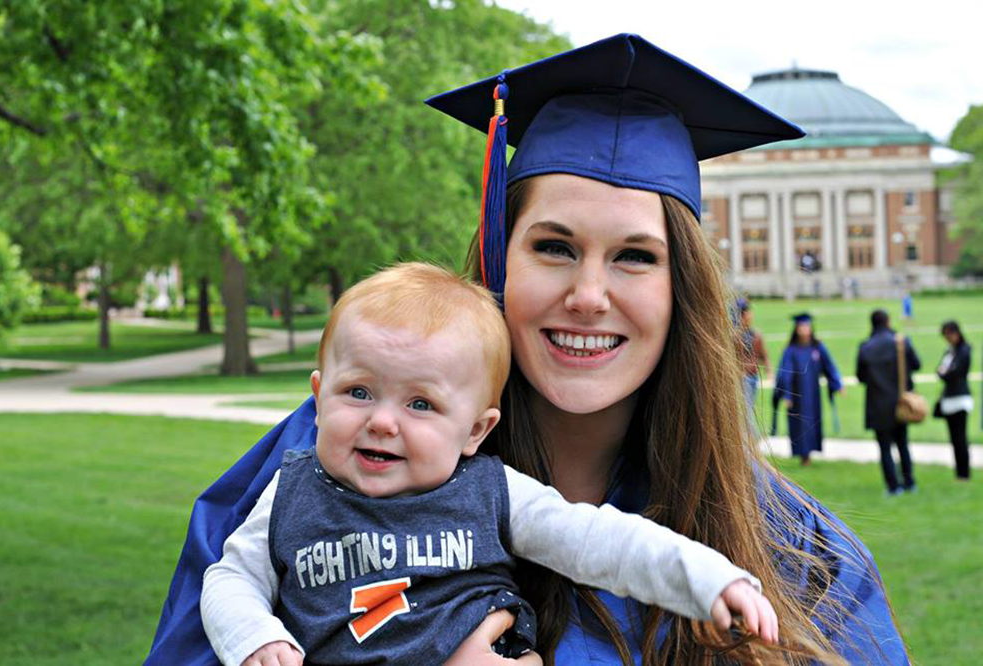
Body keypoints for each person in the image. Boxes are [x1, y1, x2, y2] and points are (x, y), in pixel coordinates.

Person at [147, 35, 909, 665]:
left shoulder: (790, 549)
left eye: (635, 257)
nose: (588, 294)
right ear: (498, 258)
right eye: (553, 246)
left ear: (684, 290)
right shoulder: (321, 466)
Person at [200, 262, 774, 666]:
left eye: (420, 404)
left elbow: (598, 540)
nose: (382, 421)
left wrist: (707, 579)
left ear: (476, 430)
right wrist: (253, 636)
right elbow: (230, 577)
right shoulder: (291, 492)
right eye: (357, 393)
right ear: (318, 395)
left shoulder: (491, 493)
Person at [856, 310, 921, 494]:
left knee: (884, 447)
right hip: (900, 402)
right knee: (902, 443)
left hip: (877, 404)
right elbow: (916, 364)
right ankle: (909, 482)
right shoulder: (901, 342)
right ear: (888, 321)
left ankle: (893, 486)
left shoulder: (866, 347)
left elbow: (861, 377)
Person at [774, 313, 844, 466]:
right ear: (796, 329)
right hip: (797, 395)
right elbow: (785, 373)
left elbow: (829, 367)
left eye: (807, 326)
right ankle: (804, 456)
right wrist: (787, 394)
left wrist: (837, 384)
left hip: (813, 394)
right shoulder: (791, 350)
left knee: (812, 422)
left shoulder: (817, 348)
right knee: (800, 424)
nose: (804, 329)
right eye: (801, 326)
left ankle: (810, 454)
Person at [936, 320, 973, 480]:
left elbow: (954, 373)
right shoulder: (949, 351)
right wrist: (944, 373)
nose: (948, 338)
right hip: (948, 399)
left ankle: (964, 473)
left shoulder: (964, 350)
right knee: (954, 439)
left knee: (960, 438)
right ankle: (959, 472)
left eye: (949, 334)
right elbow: (940, 371)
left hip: (960, 399)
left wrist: (944, 373)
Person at [735, 297, 769, 432]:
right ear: (741, 315)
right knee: (747, 410)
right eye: (748, 312)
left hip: (753, 377)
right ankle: (751, 439)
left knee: (749, 407)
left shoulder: (755, 334)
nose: (751, 315)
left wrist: (769, 370)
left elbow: (763, 354)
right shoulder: (735, 336)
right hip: (742, 378)